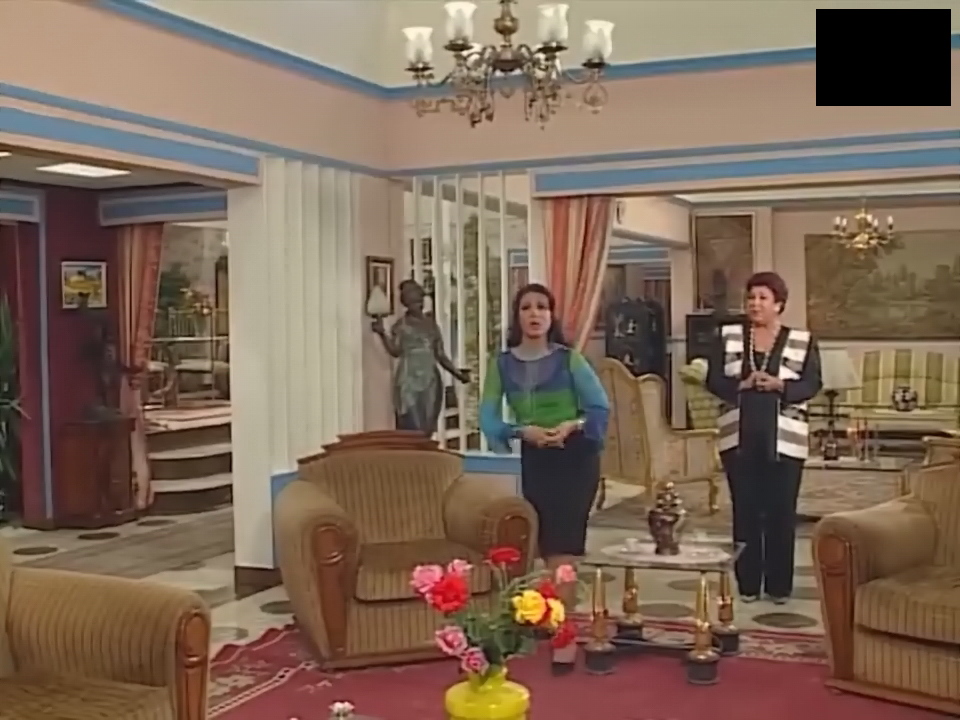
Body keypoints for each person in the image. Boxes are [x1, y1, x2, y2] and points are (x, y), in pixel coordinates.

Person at [479, 283, 610, 672]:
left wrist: (572, 425)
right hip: (536, 457)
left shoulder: (570, 360)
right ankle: (548, 618)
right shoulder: (501, 365)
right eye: (526, 307)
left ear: (551, 316)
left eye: (542, 307)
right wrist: (522, 431)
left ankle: (564, 634)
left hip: (575, 457)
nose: (534, 314)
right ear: (517, 316)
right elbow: (487, 417)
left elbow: (599, 407)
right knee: (545, 545)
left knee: (563, 549)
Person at [706, 271, 822, 604]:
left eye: (762, 298)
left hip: (786, 439)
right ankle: (747, 584)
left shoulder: (802, 340)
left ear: (779, 304)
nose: (755, 304)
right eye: (751, 298)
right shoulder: (727, 336)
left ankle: (778, 586)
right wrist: (741, 384)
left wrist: (780, 386)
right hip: (738, 437)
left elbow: (812, 383)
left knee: (781, 511)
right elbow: (713, 379)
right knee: (745, 510)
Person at [372, 278, 469, 435]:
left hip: (430, 380)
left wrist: (457, 374)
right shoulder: (401, 326)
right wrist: (382, 333)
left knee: (427, 425)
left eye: (420, 301)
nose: (418, 305)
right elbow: (395, 351)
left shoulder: (431, 324)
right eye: (414, 302)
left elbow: (440, 355)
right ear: (406, 304)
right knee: (410, 425)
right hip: (408, 380)